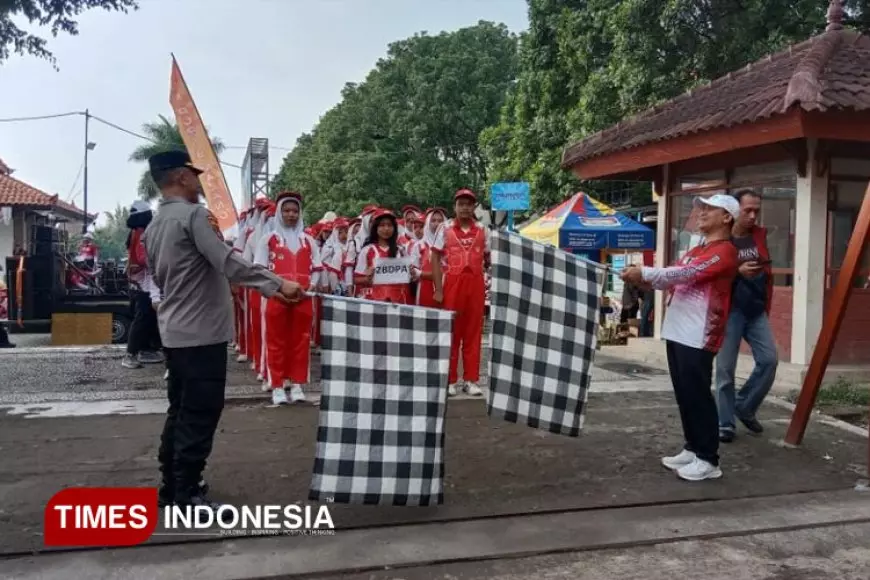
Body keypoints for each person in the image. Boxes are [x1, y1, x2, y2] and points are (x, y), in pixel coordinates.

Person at [142, 150, 302, 512]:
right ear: (182, 177)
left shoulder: (154, 225)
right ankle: (187, 494)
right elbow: (228, 261)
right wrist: (277, 284)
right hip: (202, 332)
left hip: (175, 330)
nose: (198, 182)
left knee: (179, 411)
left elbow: (158, 276)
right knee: (199, 413)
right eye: (194, 175)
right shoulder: (195, 216)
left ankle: (172, 486)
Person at [620, 194, 739, 482]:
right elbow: (672, 276)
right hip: (678, 330)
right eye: (702, 207)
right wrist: (642, 279)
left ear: (727, 218)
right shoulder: (697, 248)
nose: (702, 213)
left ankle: (709, 459)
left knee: (697, 395)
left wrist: (646, 271)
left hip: (699, 334)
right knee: (685, 394)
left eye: (710, 209)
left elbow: (688, 273)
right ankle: (693, 447)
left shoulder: (725, 251)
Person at [716, 189, 777, 443]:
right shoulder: (720, 240)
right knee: (725, 370)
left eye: (756, 211)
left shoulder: (759, 236)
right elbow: (711, 274)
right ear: (734, 211)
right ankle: (725, 423)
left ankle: (745, 405)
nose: (753, 216)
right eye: (747, 210)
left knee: (769, 360)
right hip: (730, 311)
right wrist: (737, 271)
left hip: (755, 309)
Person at [255, 192, 323, 405]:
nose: (291, 215)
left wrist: (311, 285)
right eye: (287, 211)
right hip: (276, 298)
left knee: (301, 340)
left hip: (303, 298)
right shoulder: (269, 240)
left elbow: (317, 268)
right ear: (279, 213)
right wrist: (276, 292)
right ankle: (276, 385)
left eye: (295, 211)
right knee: (276, 341)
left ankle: (297, 384)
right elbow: (260, 270)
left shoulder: (308, 240)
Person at [431, 189, 490, 397]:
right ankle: (450, 379)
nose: (465, 207)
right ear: (454, 206)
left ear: (474, 207)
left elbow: (489, 258)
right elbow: (435, 258)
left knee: (473, 333)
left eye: (468, 204)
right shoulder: (444, 228)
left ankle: (471, 379)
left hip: (475, 285)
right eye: (461, 204)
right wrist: (438, 289)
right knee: (451, 333)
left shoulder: (483, 229)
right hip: (453, 284)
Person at [122, 200, 164, 369]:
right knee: (143, 317)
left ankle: (146, 350)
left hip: (140, 281)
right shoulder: (141, 232)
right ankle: (130, 354)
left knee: (148, 317)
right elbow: (143, 259)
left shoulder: (136, 232)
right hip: (144, 281)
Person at [354, 208, 417, 303]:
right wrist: (368, 278)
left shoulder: (401, 250)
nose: (386, 229)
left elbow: (409, 276)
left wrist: (412, 273)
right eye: (382, 225)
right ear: (376, 228)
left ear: (394, 228)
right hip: (374, 301)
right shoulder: (367, 250)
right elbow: (356, 279)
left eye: (389, 225)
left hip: (398, 301)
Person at [413, 207, 446, 308]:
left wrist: (422, 274)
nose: (437, 224)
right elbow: (413, 272)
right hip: (424, 290)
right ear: (428, 223)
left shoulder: (451, 244)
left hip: (446, 290)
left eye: (440, 221)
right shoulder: (419, 246)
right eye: (433, 220)